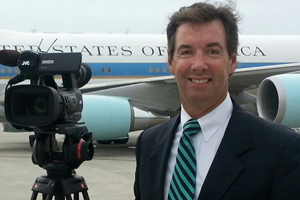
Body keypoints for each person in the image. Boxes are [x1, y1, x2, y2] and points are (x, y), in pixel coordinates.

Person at [134, 1, 300, 200]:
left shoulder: (281, 148)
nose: (198, 65)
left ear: (232, 61)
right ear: (171, 62)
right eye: (186, 52)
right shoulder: (149, 144)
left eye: (212, 51)